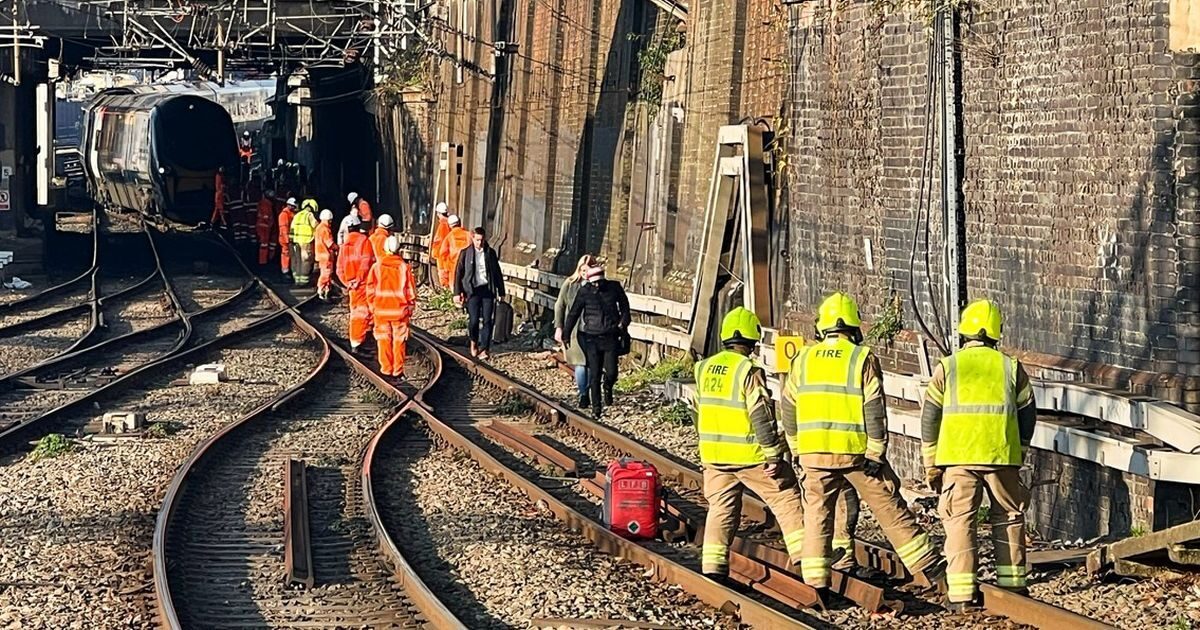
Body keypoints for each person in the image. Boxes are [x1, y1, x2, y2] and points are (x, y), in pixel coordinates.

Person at [782, 291, 944, 603]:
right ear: (854, 329)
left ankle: (816, 586)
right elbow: (874, 408)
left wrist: (797, 448)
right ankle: (933, 569)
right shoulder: (862, 358)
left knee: (817, 516)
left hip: (815, 455)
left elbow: (788, 407)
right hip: (856, 455)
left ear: (822, 328)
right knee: (889, 507)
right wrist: (876, 451)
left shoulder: (802, 359)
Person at [922, 299, 1035, 612]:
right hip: (1002, 457)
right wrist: (1020, 449)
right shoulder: (1011, 367)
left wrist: (931, 464)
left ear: (964, 331)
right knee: (1010, 518)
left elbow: (929, 418)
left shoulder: (949, 367)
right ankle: (1013, 586)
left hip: (958, 460)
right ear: (996, 333)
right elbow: (1028, 413)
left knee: (960, 523)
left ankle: (960, 595)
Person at [693, 307, 808, 584]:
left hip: (714, 455)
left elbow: (698, 411)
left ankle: (713, 568)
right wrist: (773, 455)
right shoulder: (747, 370)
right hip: (749, 454)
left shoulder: (703, 368)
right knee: (786, 498)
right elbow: (760, 413)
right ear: (753, 341)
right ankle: (808, 560)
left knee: (720, 509)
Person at [562, 265, 630, 418]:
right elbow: (574, 313)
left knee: (612, 372)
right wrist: (566, 334)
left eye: (599, 282)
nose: (597, 285)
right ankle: (596, 408)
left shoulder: (614, 288)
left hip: (610, 336)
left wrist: (623, 322)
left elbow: (625, 307)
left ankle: (608, 386)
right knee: (594, 374)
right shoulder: (584, 292)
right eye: (594, 283)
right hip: (591, 337)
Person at [367, 235, 417, 377]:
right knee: (399, 340)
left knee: (383, 339)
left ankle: (386, 369)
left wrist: (372, 306)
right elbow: (410, 291)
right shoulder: (404, 268)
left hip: (381, 311)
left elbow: (370, 289)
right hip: (399, 312)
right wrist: (410, 307)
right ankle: (397, 370)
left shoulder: (377, 267)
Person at [453, 227, 506, 359]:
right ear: (472, 238)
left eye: (482, 240)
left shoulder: (490, 253)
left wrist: (501, 291)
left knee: (488, 320)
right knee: (474, 320)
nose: (479, 243)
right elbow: (458, 273)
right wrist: (457, 292)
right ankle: (474, 342)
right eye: (477, 240)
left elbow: (497, 273)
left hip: (487, 290)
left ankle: (484, 348)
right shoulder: (466, 253)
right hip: (473, 291)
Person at [555, 254, 596, 407]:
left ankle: (587, 391)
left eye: (589, 270)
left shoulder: (597, 285)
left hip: (593, 329)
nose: (585, 274)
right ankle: (583, 393)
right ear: (579, 270)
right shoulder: (570, 284)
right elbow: (560, 305)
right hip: (574, 330)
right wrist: (559, 327)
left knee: (591, 363)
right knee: (580, 363)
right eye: (583, 270)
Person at [337, 220, 376, 353]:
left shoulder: (344, 245)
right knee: (362, 313)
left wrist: (348, 283)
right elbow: (366, 263)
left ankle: (362, 338)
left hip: (352, 286)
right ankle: (357, 343)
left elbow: (339, 269)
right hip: (363, 285)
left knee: (356, 312)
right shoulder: (364, 241)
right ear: (359, 226)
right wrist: (358, 280)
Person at [437, 214, 471, 290]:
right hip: (469, 271)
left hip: (454, 271)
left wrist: (444, 278)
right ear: (460, 223)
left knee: (456, 294)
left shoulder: (449, 237)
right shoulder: (469, 236)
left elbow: (442, 256)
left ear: (450, 226)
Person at [290, 199, 318, 285]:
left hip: (296, 242)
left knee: (297, 260)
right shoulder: (309, 215)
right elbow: (316, 226)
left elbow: (292, 229)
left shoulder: (297, 215)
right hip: (306, 242)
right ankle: (304, 281)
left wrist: (291, 241)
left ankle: (297, 279)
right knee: (305, 261)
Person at [314, 209, 337, 300]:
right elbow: (330, 243)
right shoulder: (325, 229)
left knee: (325, 273)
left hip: (321, 255)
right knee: (326, 274)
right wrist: (338, 247)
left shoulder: (319, 228)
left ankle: (327, 290)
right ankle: (321, 290)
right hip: (326, 256)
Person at [430, 202, 451, 287]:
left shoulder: (443, 225)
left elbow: (441, 241)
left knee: (443, 275)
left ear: (438, 213)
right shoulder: (449, 224)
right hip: (446, 255)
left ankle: (445, 292)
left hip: (442, 256)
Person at [277, 197, 297, 279]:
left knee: (290, 254)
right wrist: (287, 240)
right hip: (285, 239)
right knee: (286, 254)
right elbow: (283, 228)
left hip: (291, 238)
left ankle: (289, 270)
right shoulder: (284, 215)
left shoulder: (291, 213)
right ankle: (285, 271)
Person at [256, 190, 276, 266]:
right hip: (264, 227)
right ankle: (263, 262)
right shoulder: (265, 204)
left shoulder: (268, 204)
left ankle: (269, 259)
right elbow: (266, 216)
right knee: (264, 245)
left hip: (267, 227)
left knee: (269, 244)